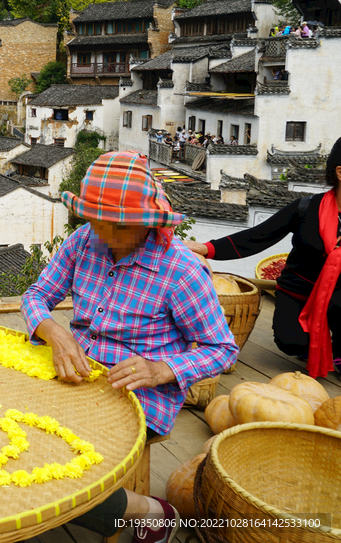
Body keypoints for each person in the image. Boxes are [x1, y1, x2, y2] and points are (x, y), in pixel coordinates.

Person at [22, 151, 237, 542]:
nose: (101, 234)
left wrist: (161, 369)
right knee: (0, 423)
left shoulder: (180, 271)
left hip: (140, 393)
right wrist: (53, 330)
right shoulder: (85, 240)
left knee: (52, 462)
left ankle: (149, 510)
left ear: (146, 223)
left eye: (115, 227)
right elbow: (37, 295)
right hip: (79, 377)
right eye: (94, 221)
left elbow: (221, 349)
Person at [186, 137, 341, 376]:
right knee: (291, 341)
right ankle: (312, 343)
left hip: (338, 298)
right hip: (299, 291)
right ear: (340, 172)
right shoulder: (307, 209)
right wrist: (208, 248)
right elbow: (259, 236)